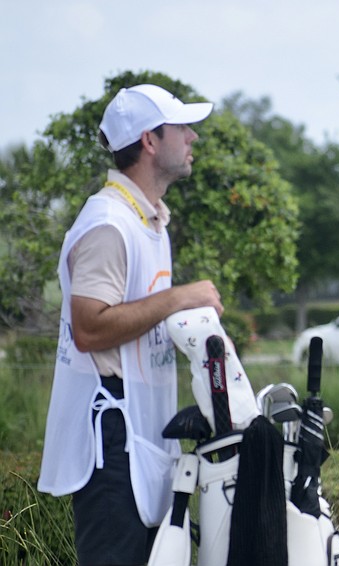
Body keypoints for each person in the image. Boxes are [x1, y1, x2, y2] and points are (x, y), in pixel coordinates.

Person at [38, 84, 224, 566]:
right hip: (111, 438)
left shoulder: (148, 220)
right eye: (182, 127)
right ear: (149, 140)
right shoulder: (109, 222)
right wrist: (180, 297)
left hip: (141, 431)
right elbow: (90, 328)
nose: (192, 138)